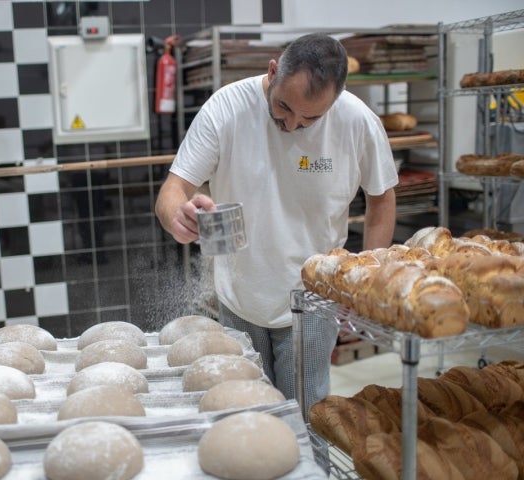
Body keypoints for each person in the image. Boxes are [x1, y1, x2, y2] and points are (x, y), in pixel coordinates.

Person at [155, 34, 398, 412]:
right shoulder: (227, 108)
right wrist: (178, 217)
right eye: (284, 106)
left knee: (306, 417)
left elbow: (381, 198)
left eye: (310, 119)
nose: (292, 124)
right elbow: (173, 189)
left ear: (334, 102)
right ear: (273, 71)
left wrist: (368, 278)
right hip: (238, 296)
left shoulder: (357, 121)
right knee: (248, 414)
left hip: (315, 302)